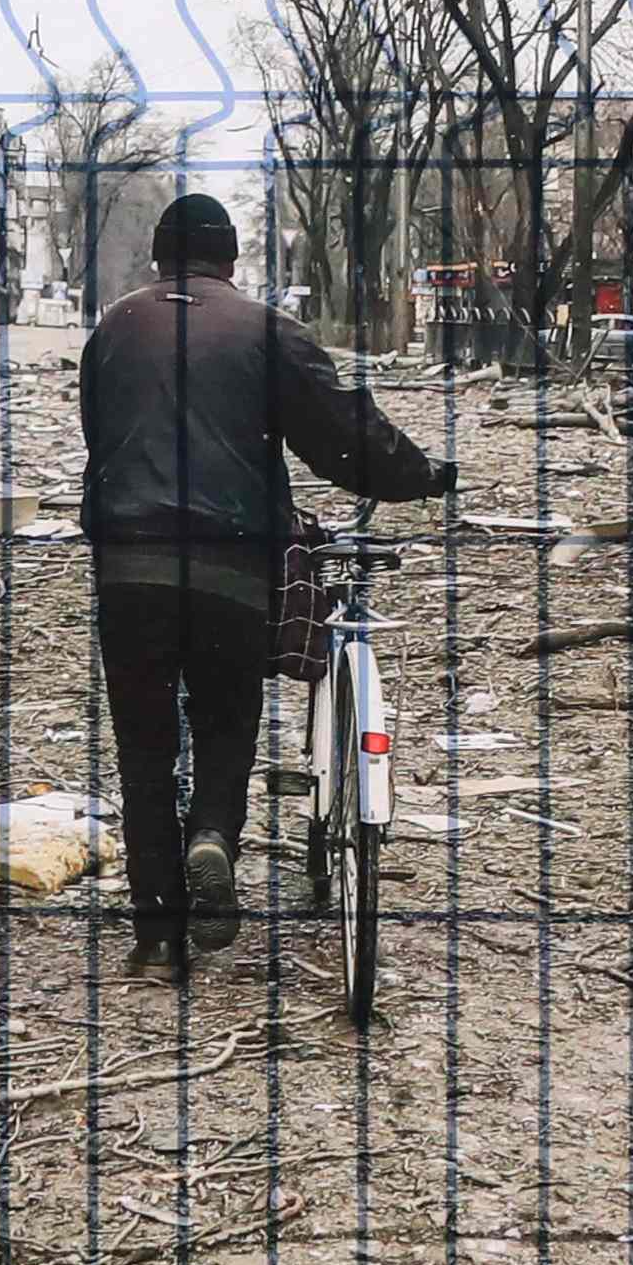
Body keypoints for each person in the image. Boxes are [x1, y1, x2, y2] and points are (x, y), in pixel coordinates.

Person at [74, 191, 449, 975]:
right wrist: (419, 475)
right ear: (232, 257)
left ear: (158, 253)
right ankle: (214, 829)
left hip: (129, 564)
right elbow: (337, 434)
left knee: (142, 745)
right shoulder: (266, 331)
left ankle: (158, 930)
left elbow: (99, 436)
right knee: (224, 718)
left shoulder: (113, 327)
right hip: (230, 563)